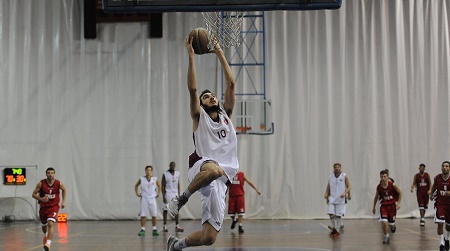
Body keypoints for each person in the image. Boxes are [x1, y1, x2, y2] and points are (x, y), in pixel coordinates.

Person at [166, 35, 239, 251]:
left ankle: (176, 245)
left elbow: (232, 83)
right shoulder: (199, 116)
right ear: (201, 104)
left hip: (221, 178)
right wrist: (191, 56)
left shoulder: (227, 116)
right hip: (201, 167)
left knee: (209, 238)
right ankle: (181, 200)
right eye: (207, 97)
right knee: (214, 169)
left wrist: (219, 52)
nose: (211, 98)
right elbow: (193, 90)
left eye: (213, 96)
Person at [32, 167, 67, 251]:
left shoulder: (58, 183)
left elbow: (64, 190)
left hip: (53, 207)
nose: (50, 174)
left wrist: (63, 202)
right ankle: (45, 234)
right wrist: (41, 198)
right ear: (46, 174)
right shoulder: (41, 183)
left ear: (54, 174)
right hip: (44, 207)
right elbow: (33, 194)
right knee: (44, 225)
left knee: (50, 223)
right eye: (48, 173)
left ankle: (48, 243)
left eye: (52, 173)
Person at [372, 169, 402, 244]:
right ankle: (386, 237)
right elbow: (376, 196)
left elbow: (400, 192)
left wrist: (398, 203)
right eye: (381, 177)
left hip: (392, 206)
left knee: (391, 224)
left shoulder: (393, 185)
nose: (383, 178)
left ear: (388, 177)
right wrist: (374, 207)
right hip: (384, 206)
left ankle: (393, 225)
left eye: (384, 177)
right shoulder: (379, 187)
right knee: (384, 222)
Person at [324, 163, 351, 238]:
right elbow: (329, 185)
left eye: (338, 167)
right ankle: (334, 228)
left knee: (338, 216)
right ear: (334, 168)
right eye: (335, 167)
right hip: (332, 197)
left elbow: (349, 186)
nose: (337, 168)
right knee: (330, 213)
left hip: (341, 198)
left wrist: (346, 193)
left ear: (340, 168)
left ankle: (337, 231)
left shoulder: (344, 176)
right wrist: (326, 194)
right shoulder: (331, 176)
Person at [429, 161, 450, 251]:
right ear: (441, 168)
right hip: (440, 204)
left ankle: (447, 239)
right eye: (443, 166)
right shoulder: (437, 177)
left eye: (446, 166)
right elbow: (434, 186)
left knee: (448, 225)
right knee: (440, 223)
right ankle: (441, 244)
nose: (444, 167)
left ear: (449, 168)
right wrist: (431, 193)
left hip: (449, 205)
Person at [135, 165, 161, 236]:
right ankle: (142, 229)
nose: (148, 171)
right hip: (144, 198)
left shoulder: (154, 179)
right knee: (143, 214)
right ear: (145, 171)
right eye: (147, 170)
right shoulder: (141, 179)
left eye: (149, 170)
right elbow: (136, 185)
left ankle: (154, 229)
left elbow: (159, 185)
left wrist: (158, 193)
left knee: (154, 214)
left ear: (151, 171)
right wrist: (137, 193)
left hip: (152, 198)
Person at [162, 161, 184, 232]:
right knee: (165, 210)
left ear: (175, 166)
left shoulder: (177, 173)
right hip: (168, 193)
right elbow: (162, 185)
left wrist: (179, 193)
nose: (172, 166)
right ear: (169, 165)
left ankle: (177, 226)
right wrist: (163, 196)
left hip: (175, 194)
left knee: (176, 210)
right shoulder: (165, 174)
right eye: (171, 165)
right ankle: (165, 225)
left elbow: (178, 184)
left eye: (173, 165)